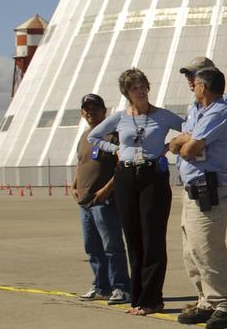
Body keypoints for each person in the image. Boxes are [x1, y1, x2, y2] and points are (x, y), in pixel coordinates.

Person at [88, 70, 184, 315]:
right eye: (134, 88)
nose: (140, 91)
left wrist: (168, 147)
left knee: (152, 236)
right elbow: (94, 136)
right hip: (126, 176)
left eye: (143, 86)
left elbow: (189, 129)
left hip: (152, 175)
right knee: (133, 236)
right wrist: (116, 149)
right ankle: (138, 298)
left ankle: (153, 299)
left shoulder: (161, 116)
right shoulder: (121, 118)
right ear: (127, 93)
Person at [167, 67, 227, 329]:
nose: (191, 85)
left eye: (195, 82)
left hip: (209, 188)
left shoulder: (221, 111)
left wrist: (183, 142)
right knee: (192, 251)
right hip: (191, 187)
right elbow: (176, 144)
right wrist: (183, 141)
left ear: (205, 87)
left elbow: (189, 148)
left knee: (208, 248)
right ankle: (206, 300)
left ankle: (224, 304)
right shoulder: (196, 110)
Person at [72, 93, 130, 306]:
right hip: (85, 202)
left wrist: (107, 189)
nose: (90, 112)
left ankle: (121, 287)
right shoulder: (86, 136)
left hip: (104, 201)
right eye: (86, 109)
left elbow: (122, 166)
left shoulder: (112, 135)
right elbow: (82, 163)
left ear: (105, 111)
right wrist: (74, 184)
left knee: (112, 246)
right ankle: (101, 286)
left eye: (95, 108)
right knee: (92, 247)